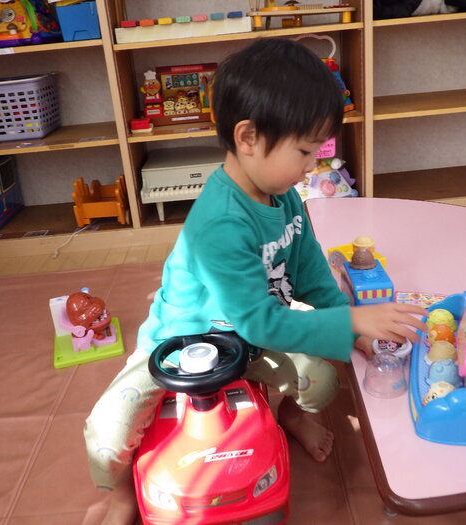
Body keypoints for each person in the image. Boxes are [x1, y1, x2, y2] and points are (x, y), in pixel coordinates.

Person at [84, 37, 427, 525]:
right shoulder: (219, 223)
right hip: (182, 343)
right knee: (106, 436)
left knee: (323, 382)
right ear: (247, 137)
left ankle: (287, 411)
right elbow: (261, 321)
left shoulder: (285, 196)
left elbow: (311, 275)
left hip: (251, 340)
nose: (312, 165)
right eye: (304, 150)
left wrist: (353, 328)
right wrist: (353, 320)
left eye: (317, 151)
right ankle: (119, 494)